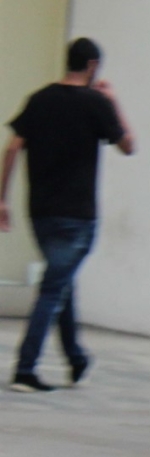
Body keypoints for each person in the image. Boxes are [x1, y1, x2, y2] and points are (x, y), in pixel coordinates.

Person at [3, 39, 133, 392]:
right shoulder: (96, 103)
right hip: (77, 214)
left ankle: (76, 358)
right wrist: (114, 102)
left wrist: (2, 200)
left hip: (41, 212)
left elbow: (13, 147)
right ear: (92, 66)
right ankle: (25, 369)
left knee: (61, 284)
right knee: (53, 289)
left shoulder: (39, 99)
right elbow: (128, 145)